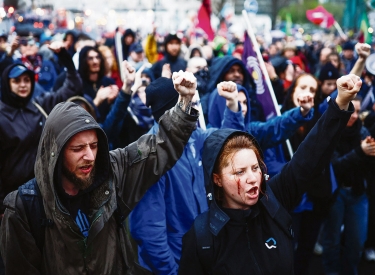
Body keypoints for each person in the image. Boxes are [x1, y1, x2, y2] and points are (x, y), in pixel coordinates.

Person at [0, 68, 199, 274]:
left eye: (94, 146)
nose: (90, 156)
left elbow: (158, 147)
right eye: (77, 149)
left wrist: (184, 102)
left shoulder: (112, 172)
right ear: (55, 153)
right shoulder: (23, 208)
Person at [179, 73, 360, 274]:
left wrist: (341, 102)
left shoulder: (274, 199)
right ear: (217, 179)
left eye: (255, 168)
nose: (252, 178)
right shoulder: (202, 237)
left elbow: (310, 156)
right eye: (239, 172)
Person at [129, 80, 314, 274]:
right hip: (175, 263)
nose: (194, 110)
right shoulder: (149, 156)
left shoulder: (196, 138)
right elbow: (149, 230)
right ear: (170, 113)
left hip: (204, 256)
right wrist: (173, 271)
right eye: (187, 104)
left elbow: (227, 142)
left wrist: (233, 105)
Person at [0, 42, 82, 218]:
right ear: (7, 84)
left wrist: (66, 59)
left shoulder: (38, 105)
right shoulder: (2, 117)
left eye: (27, 80)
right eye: (17, 81)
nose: (23, 85)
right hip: (12, 198)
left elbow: (71, 88)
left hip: (43, 193)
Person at [321, 96, 375, 275]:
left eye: (358, 111)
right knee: (332, 241)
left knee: (357, 241)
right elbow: (335, 167)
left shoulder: (363, 131)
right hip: (336, 194)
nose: (354, 115)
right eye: (350, 110)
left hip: (358, 193)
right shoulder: (330, 132)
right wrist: (360, 152)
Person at [54, 45, 119, 123]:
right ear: (83, 61)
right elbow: (76, 118)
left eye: (97, 57)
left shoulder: (108, 82)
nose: (95, 61)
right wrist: (97, 101)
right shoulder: (76, 84)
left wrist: (111, 101)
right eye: (90, 58)